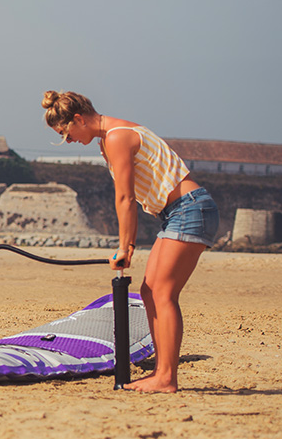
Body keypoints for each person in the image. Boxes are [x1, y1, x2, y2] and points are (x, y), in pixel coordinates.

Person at [41, 90, 219, 393]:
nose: (68, 141)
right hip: (177, 212)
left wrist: (125, 247)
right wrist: (130, 245)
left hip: (189, 209)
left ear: (79, 119)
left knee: (163, 293)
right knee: (149, 292)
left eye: (66, 133)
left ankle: (166, 378)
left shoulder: (116, 137)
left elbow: (126, 198)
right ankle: (162, 372)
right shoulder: (108, 138)